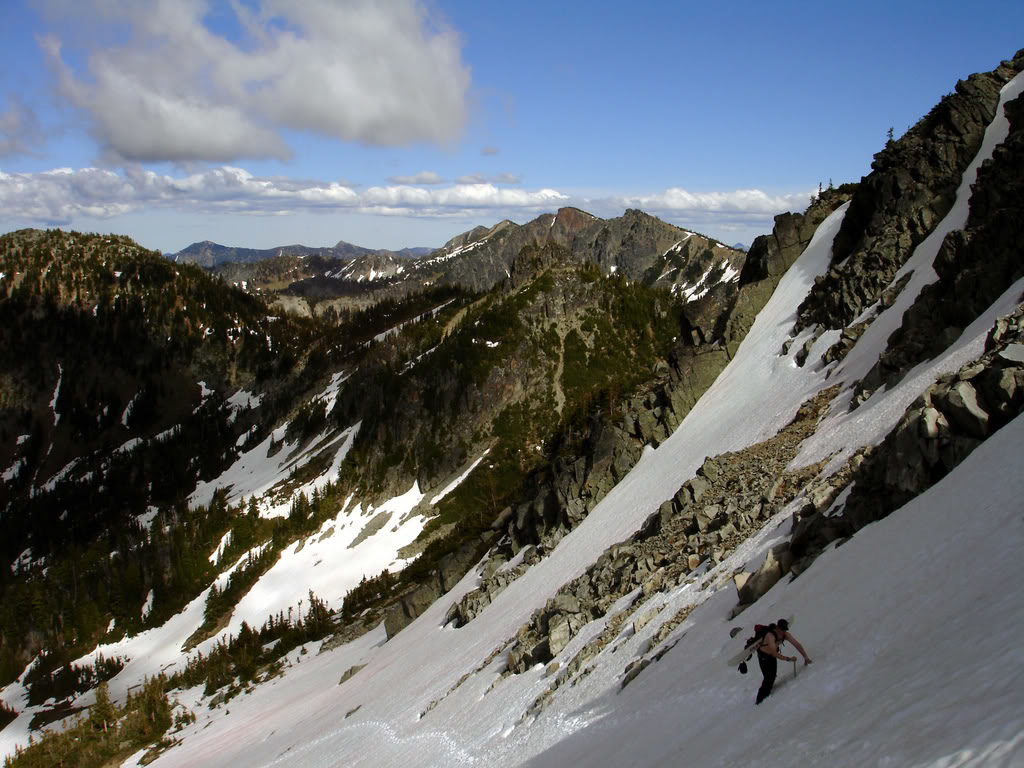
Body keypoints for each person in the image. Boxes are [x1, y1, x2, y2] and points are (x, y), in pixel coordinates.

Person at [755, 619, 812, 705]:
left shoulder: (785, 634)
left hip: (771, 656)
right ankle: (759, 701)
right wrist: (788, 659)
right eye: (782, 630)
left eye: (785, 630)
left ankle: (767, 692)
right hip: (764, 656)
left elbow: (797, 644)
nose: (783, 632)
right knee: (768, 678)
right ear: (777, 628)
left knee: (773, 675)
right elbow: (774, 653)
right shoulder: (770, 636)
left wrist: (805, 657)